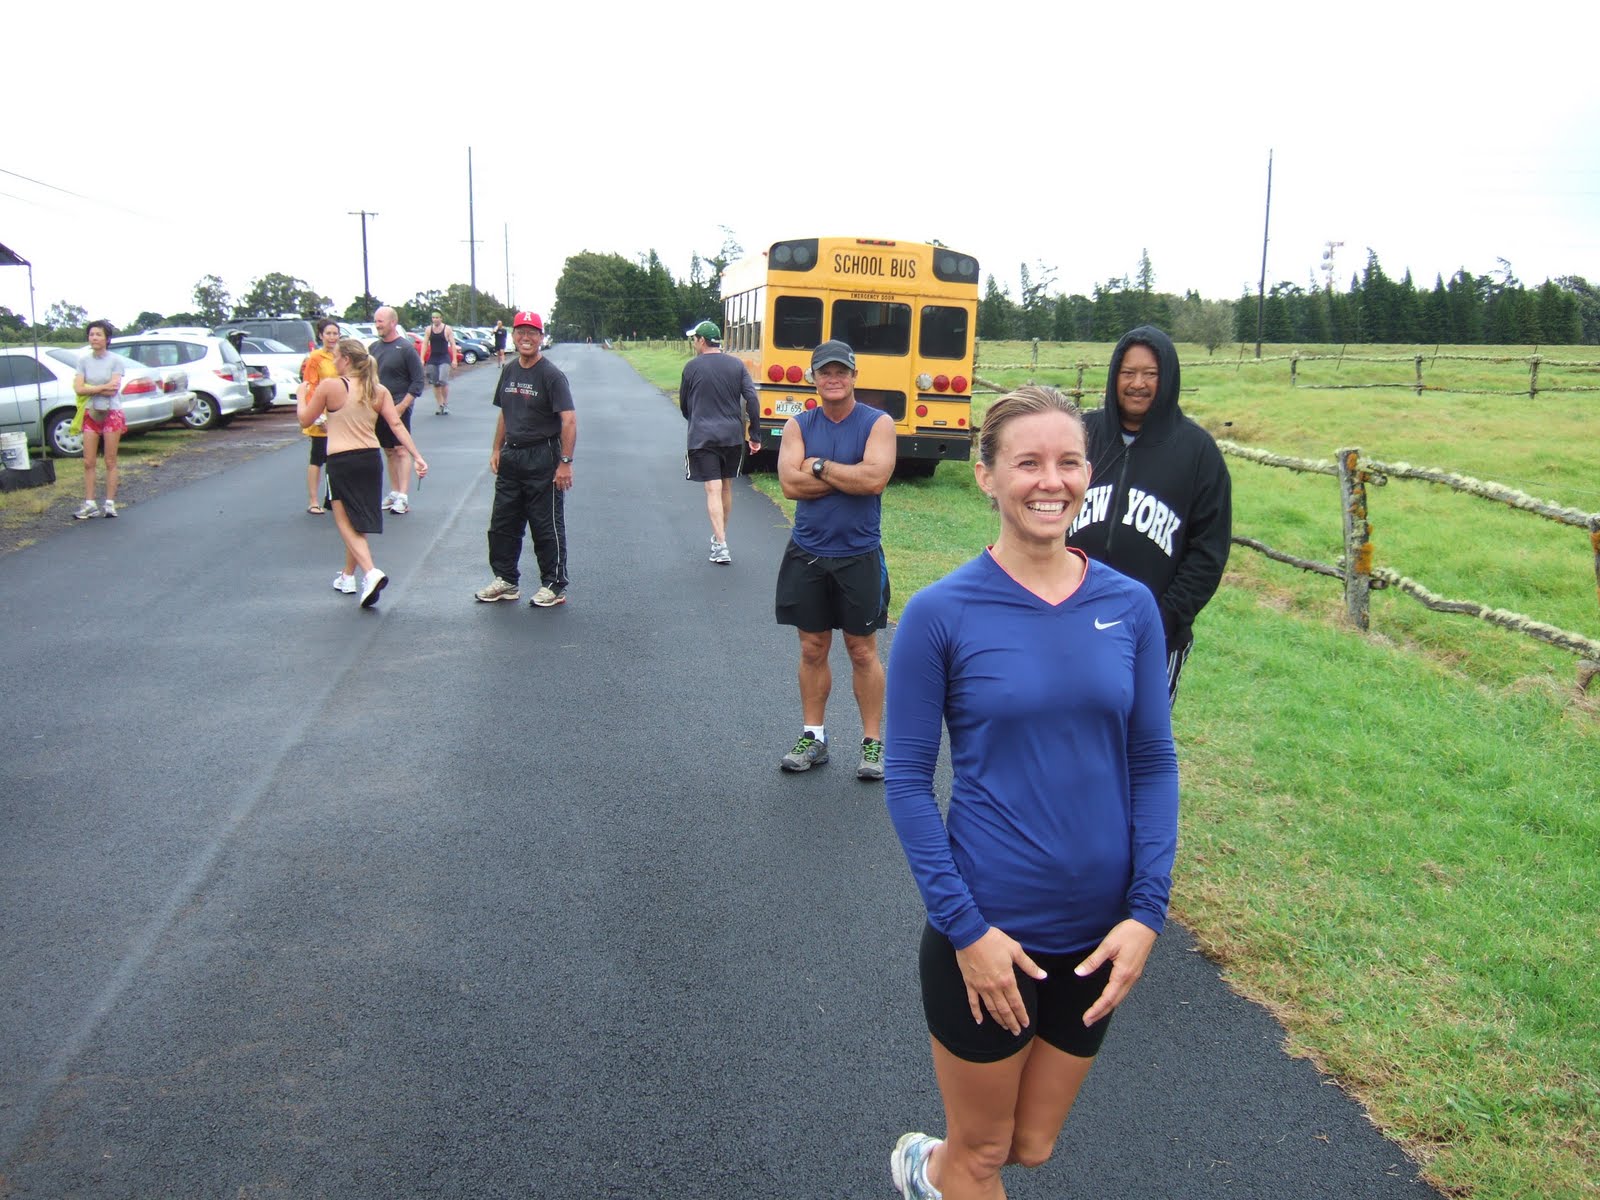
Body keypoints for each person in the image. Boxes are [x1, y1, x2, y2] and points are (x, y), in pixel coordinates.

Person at [883, 386, 1179, 1200]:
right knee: (984, 1156)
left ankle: (927, 1169)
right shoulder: (940, 613)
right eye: (1027, 463)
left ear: (1090, 470)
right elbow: (907, 781)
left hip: (1096, 939)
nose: (1051, 482)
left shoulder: (1130, 605)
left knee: (1031, 1147)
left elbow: (1153, 759)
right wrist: (965, 929)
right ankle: (947, 1169)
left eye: (1069, 461)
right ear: (985, 476)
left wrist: (1147, 914)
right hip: (988, 935)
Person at [1066, 325, 1231, 706]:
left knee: (1136, 749)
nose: (1137, 384)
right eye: (1128, 372)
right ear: (1113, 376)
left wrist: (1164, 621)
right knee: (1060, 732)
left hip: (1153, 636)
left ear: (1168, 377)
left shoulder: (1197, 452)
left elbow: (1208, 551)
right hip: (1067, 624)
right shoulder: (1082, 435)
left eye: (1150, 374)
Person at [774, 339, 895, 780]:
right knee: (812, 647)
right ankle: (814, 738)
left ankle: (872, 744)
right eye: (825, 371)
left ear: (854, 375)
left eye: (841, 371)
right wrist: (850, 473)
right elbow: (789, 485)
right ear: (813, 377)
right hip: (807, 553)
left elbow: (876, 478)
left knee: (862, 650)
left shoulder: (878, 423)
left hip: (859, 554)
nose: (833, 378)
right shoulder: (797, 426)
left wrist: (820, 467)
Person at [297, 339, 429, 607]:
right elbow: (396, 424)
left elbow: (304, 419)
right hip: (370, 459)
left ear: (346, 359)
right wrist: (417, 456)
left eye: (336, 357)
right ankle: (348, 576)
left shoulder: (331, 386)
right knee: (359, 519)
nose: (333, 362)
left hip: (342, 460)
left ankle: (370, 572)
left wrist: (301, 396)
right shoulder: (377, 389)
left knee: (345, 521)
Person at [474, 311, 576, 608]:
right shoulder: (509, 371)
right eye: (521, 332)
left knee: (546, 525)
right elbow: (505, 412)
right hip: (512, 455)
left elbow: (568, 420)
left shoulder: (552, 375)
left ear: (541, 337)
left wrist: (565, 462)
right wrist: (496, 449)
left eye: (532, 332)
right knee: (503, 523)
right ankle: (506, 580)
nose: (526, 337)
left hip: (543, 455)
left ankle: (553, 584)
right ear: (513, 336)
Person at [679, 319, 760, 564]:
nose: (694, 343)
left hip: (703, 435)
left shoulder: (691, 367)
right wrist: (754, 435)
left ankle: (721, 544)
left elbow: (684, 404)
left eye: (695, 339)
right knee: (725, 487)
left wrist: (695, 419)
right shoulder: (737, 365)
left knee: (712, 489)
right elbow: (752, 400)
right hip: (732, 436)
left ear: (702, 341)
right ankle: (720, 539)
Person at [368, 306, 424, 514]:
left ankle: (403, 496)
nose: (377, 324)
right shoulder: (373, 349)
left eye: (381, 320)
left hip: (400, 406)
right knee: (389, 450)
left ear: (393, 322)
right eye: (376, 321)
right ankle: (393, 492)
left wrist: (402, 406)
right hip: (378, 409)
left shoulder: (406, 349)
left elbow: (418, 382)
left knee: (401, 449)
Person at [73, 320, 123, 519]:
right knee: (88, 461)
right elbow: (78, 388)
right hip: (91, 411)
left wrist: (92, 388)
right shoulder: (83, 361)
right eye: (91, 334)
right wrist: (101, 388)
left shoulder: (115, 361)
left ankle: (109, 503)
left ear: (107, 339)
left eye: (98, 334)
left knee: (110, 460)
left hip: (112, 412)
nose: (94, 338)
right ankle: (90, 502)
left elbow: (114, 389)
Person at [298, 318, 341, 513]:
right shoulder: (315, 358)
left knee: (337, 458)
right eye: (328, 334)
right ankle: (313, 500)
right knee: (317, 456)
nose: (332, 337)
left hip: (339, 413)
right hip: (321, 414)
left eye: (335, 333)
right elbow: (310, 387)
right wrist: (317, 416)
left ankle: (333, 498)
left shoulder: (342, 355)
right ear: (321, 335)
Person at [424, 310, 457, 415]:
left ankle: (445, 404)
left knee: (443, 380)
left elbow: (452, 344)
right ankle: (440, 405)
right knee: (435, 383)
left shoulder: (447, 329)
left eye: (437, 317)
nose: (435, 319)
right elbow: (425, 344)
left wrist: (454, 359)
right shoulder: (429, 329)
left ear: (441, 318)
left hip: (444, 357)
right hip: (433, 358)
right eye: (433, 318)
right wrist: (421, 358)